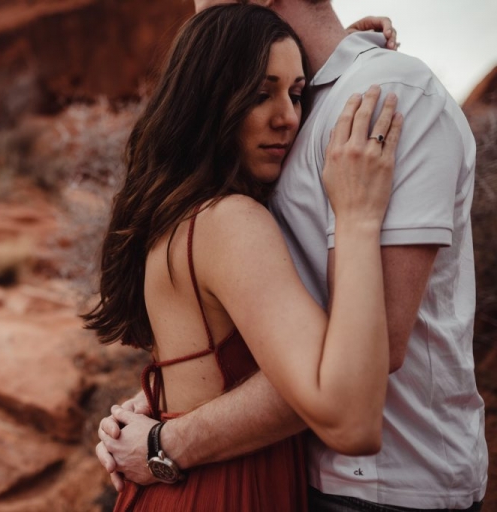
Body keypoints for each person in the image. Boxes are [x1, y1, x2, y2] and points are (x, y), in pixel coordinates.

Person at [97, 1, 488, 511]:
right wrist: (162, 431)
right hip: (246, 482)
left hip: (380, 490)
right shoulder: (228, 214)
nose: (286, 115)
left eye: (295, 93)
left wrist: (164, 434)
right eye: (262, 93)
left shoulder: (383, 97)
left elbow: (371, 355)